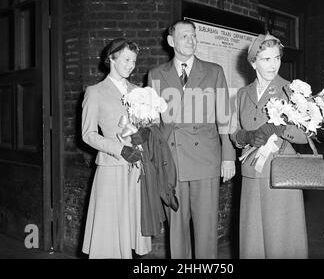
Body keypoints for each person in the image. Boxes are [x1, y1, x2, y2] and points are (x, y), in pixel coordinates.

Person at [148, 19, 236, 259]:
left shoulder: (214, 71)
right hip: (172, 159)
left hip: (205, 157)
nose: (191, 40)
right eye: (185, 36)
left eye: (194, 36)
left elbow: (225, 116)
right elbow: (153, 123)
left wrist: (228, 156)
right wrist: (153, 159)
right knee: (176, 227)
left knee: (206, 227)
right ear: (171, 41)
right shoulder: (156, 75)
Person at [231, 33, 308, 259]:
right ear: (253, 62)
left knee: (281, 241)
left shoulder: (291, 90)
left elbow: (306, 135)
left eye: (276, 58)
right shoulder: (242, 95)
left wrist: (280, 128)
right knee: (252, 241)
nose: (273, 64)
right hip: (252, 174)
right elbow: (233, 132)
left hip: (281, 173)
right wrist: (246, 137)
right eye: (266, 59)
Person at [81, 38, 151, 259]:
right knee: (109, 235)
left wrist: (144, 134)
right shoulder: (95, 92)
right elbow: (88, 134)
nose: (131, 65)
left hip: (137, 167)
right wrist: (119, 150)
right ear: (111, 58)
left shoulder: (138, 91)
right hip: (112, 167)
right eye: (127, 59)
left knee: (131, 230)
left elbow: (147, 127)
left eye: (134, 61)